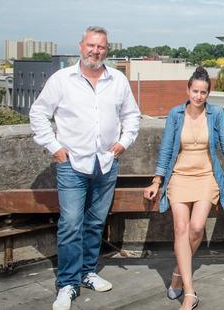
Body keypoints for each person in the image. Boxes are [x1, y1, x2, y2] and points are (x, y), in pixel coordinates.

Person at [29, 26, 141, 310]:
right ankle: (67, 283)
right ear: (81, 46)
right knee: (70, 225)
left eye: (101, 47)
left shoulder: (117, 80)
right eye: (91, 45)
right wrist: (54, 147)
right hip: (72, 164)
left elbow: (132, 116)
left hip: (105, 162)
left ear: (107, 50)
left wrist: (124, 142)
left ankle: (87, 272)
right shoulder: (62, 79)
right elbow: (38, 114)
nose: (96, 51)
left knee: (95, 222)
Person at [144, 66, 224, 310]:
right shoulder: (175, 114)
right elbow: (167, 150)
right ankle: (190, 293)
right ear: (188, 90)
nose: (199, 96)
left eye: (203, 92)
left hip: (206, 176)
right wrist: (157, 180)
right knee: (181, 229)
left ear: (208, 93)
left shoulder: (216, 114)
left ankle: (178, 274)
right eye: (195, 91)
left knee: (196, 227)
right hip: (179, 176)